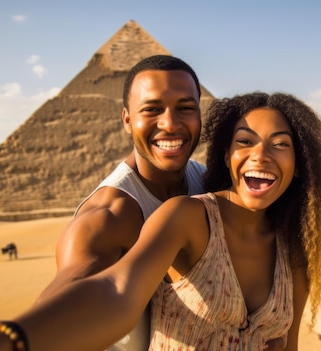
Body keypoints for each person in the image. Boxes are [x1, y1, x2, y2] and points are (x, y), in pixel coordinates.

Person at [0, 92, 321, 351]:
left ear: (300, 165)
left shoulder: (293, 248)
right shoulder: (187, 217)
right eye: (245, 142)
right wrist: (5, 342)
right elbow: (116, 292)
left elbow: (285, 344)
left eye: (281, 145)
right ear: (226, 155)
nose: (261, 154)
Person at [35, 54, 206, 350]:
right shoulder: (109, 215)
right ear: (127, 120)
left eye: (186, 108)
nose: (170, 124)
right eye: (152, 109)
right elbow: (65, 296)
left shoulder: (205, 181)